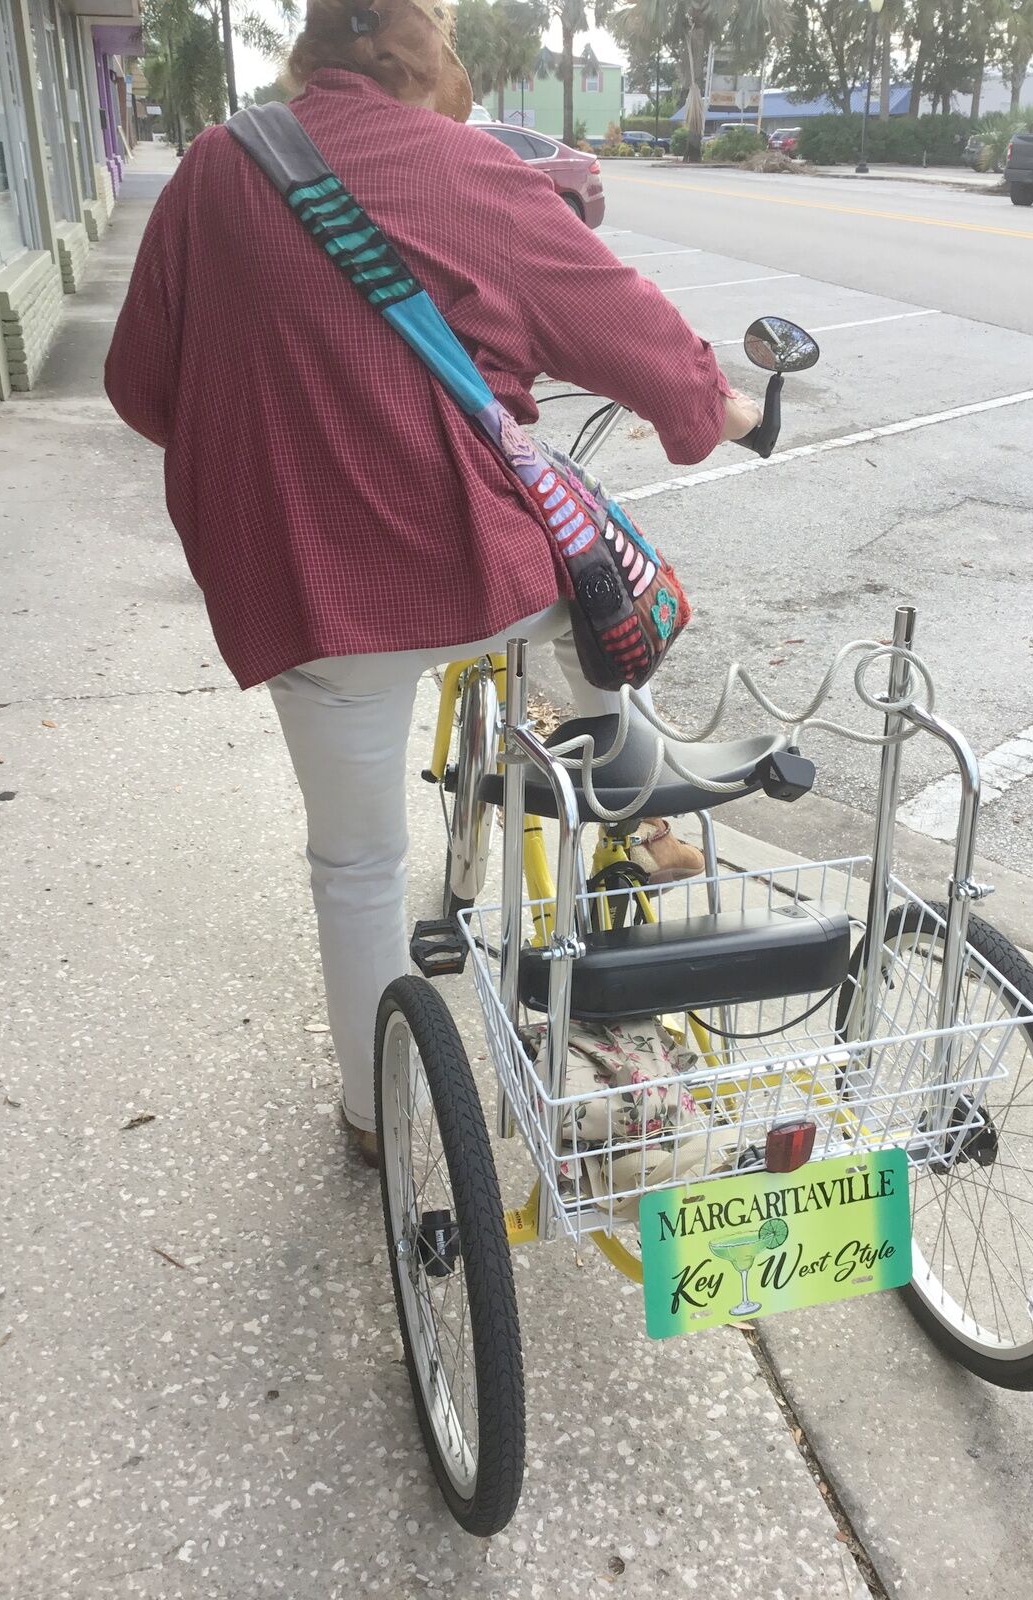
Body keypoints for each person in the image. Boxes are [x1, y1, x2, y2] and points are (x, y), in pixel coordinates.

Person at [104, 0, 763, 1164]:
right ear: (431, 60)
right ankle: (619, 804)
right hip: (478, 569)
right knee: (597, 595)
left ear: (308, 50)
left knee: (356, 864)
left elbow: (140, 385)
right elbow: (642, 340)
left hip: (306, 592)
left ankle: (377, 1120)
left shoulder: (212, 170)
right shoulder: (473, 171)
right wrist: (719, 408)